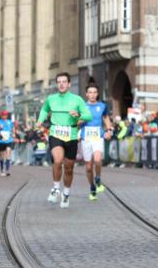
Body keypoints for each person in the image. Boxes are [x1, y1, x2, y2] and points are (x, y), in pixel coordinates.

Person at [38, 72, 92, 208]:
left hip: (71, 135)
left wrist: (79, 114)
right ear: (57, 84)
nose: (61, 84)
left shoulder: (77, 99)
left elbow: (88, 116)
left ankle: (66, 193)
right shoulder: (51, 99)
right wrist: (40, 121)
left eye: (64, 82)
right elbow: (44, 110)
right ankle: (56, 188)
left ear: (69, 84)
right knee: (57, 160)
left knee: (69, 168)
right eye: (59, 82)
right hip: (56, 132)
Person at [80, 82, 112, 201]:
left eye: (94, 92)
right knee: (88, 167)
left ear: (97, 94)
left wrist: (109, 130)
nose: (92, 95)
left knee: (97, 159)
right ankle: (92, 187)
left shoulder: (102, 106)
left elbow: (105, 118)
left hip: (98, 136)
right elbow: (77, 121)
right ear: (86, 94)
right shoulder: (82, 106)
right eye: (90, 92)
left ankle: (98, 178)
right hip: (86, 137)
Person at [0, 110, 15, 176]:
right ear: (1, 115)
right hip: (1, 140)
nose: (5, 116)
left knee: (8, 153)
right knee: (2, 156)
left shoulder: (10, 122)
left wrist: (14, 134)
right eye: (3, 115)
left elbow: (13, 128)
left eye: (6, 115)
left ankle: (7, 170)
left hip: (8, 140)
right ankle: (2, 169)